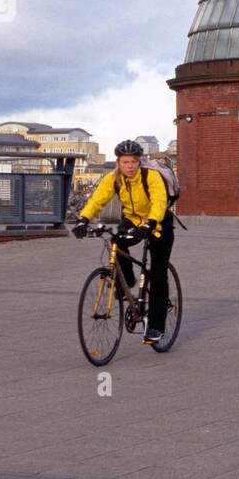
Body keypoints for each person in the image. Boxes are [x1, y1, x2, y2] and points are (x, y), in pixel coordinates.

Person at [72, 140, 172, 343]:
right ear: (118, 162)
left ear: (139, 162)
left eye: (133, 162)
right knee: (117, 240)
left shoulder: (151, 177)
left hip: (158, 224)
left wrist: (150, 224)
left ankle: (156, 326)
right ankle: (127, 281)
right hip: (134, 221)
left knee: (158, 274)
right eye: (125, 162)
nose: (129, 166)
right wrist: (83, 219)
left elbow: (160, 201)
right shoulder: (114, 179)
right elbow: (98, 199)